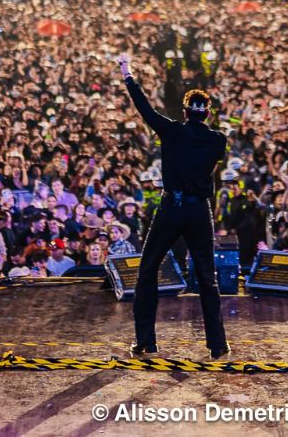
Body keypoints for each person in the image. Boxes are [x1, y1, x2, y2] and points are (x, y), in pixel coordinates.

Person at [118, 53, 227, 359]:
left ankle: (145, 341)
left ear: (185, 111)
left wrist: (128, 74)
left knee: (148, 268)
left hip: (171, 207)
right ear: (206, 113)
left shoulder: (171, 131)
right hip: (199, 210)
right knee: (207, 276)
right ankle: (217, 344)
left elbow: (145, 109)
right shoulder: (218, 141)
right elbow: (210, 171)